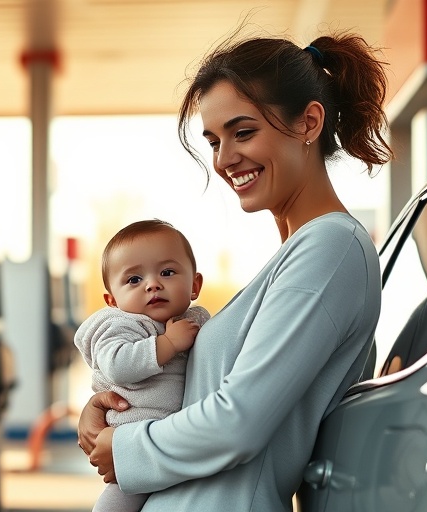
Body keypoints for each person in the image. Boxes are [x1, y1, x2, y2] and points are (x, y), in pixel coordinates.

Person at [77, 27, 392, 511]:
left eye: (244, 132)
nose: (225, 159)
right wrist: (112, 411)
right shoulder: (295, 256)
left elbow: (240, 421)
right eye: (214, 140)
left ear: (309, 123)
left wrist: (126, 448)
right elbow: (201, 400)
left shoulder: (332, 249)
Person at [74, 219, 211, 512]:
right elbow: (117, 365)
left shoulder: (198, 322)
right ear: (112, 300)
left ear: (195, 285)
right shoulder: (120, 324)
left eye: (167, 272)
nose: (153, 284)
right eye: (134, 280)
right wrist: (168, 345)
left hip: (173, 447)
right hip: (131, 440)